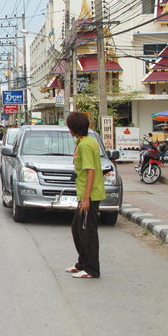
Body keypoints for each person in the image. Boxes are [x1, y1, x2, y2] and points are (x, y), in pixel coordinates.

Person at [66, 112, 105, 279]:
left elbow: (90, 171)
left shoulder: (85, 145)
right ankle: (82, 263)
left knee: (87, 232)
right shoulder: (86, 141)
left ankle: (92, 269)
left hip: (90, 194)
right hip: (85, 193)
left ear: (74, 128)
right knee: (77, 229)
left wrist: (86, 198)